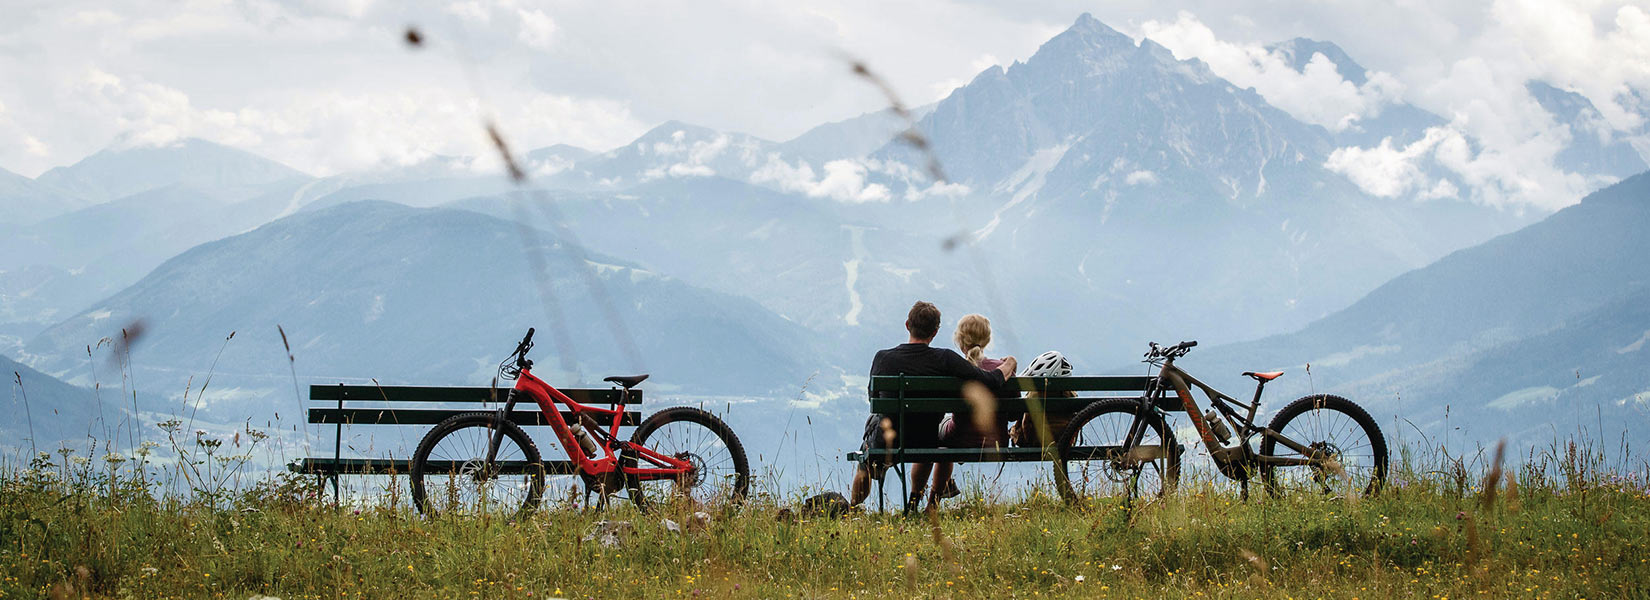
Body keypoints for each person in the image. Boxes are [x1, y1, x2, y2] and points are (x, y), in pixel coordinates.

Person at [849, 302, 1016, 513]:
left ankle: (853, 506)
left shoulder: (883, 358)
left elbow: (873, 399)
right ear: (935, 332)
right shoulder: (945, 359)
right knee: (926, 428)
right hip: (926, 438)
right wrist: (1009, 364)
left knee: (871, 433)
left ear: (908, 324)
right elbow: (989, 380)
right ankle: (918, 503)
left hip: (888, 440)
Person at [930, 313, 1017, 506]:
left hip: (957, 439)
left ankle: (933, 501)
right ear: (986, 340)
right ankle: (944, 485)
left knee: (937, 429)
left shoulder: (955, 369)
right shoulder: (1004, 369)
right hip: (998, 442)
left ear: (960, 342)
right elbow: (1014, 414)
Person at [1009, 350, 1077, 448]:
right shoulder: (1069, 393)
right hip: (1065, 442)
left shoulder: (1034, 394)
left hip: (1036, 442)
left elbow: (1022, 421)